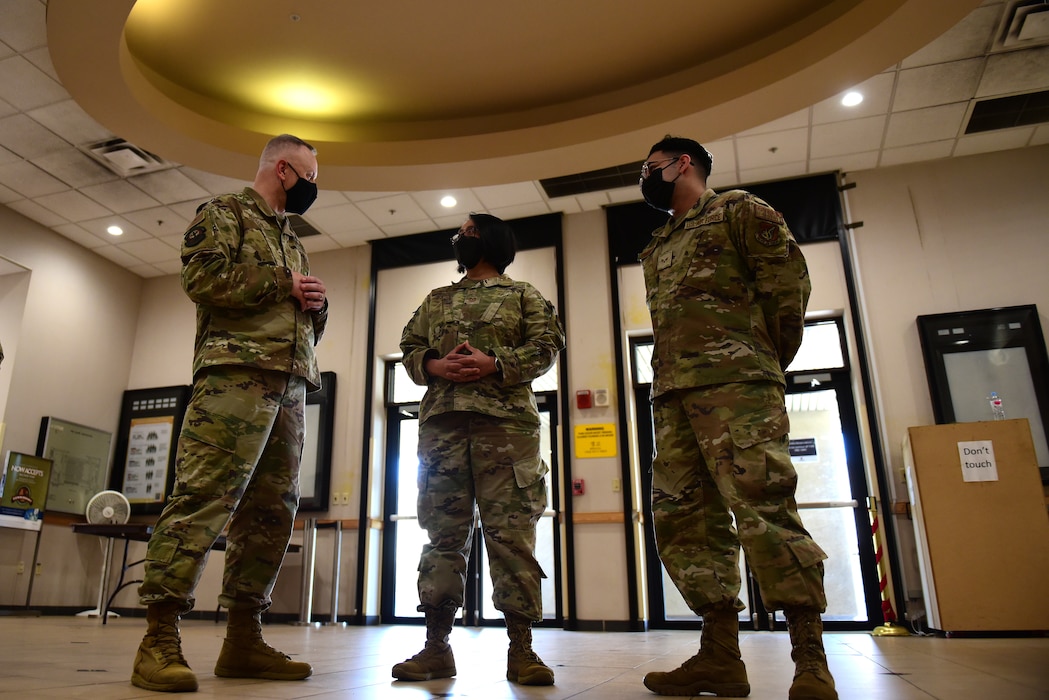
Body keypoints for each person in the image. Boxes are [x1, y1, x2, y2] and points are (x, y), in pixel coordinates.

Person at [637, 135, 837, 700]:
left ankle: (810, 660)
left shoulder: (740, 211)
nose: (645, 177)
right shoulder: (657, 246)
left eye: (650, 167)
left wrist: (757, 363)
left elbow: (787, 291)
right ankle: (720, 656)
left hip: (739, 389)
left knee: (764, 508)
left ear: (683, 165)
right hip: (674, 397)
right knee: (685, 523)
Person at [131, 134, 328, 693]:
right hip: (233, 376)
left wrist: (315, 304)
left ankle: (244, 638)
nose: (315, 188)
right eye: (311, 176)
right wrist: (281, 284)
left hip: (289, 384)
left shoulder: (292, 238)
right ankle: (157, 639)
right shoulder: (225, 213)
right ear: (284, 169)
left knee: (271, 511)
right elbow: (202, 280)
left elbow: (296, 317)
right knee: (203, 497)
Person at [394, 213, 565, 686]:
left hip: (506, 430)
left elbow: (548, 345)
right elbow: (408, 345)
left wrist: (497, 363)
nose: (460, 237)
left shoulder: (524, 294)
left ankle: (522, 650)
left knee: (511, 538)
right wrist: (432, 363)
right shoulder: (436, 299)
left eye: (468, 231)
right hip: (442, 430)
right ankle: (435, 648)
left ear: (489, 240)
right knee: (442, 537)